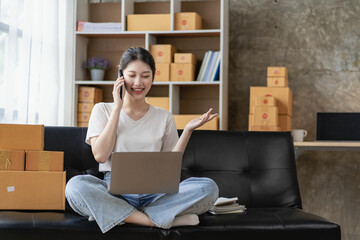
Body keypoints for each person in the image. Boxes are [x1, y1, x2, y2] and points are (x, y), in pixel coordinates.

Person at [65, 47, 219, 234]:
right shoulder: (102, 109)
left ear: (153, 77)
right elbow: (100, 155)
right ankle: (153, 220)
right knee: (75, 187)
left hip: (156, 194)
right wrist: (117, 108)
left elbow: (170, 165)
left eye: (145, 76)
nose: (138, 83)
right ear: (121, 77)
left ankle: (117, 215)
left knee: (208, 188)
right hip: (115, 192)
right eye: (132, 75)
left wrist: (187, 130)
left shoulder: (164, 117)